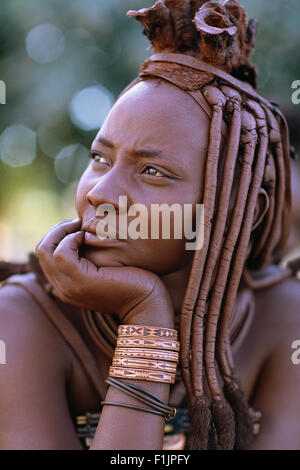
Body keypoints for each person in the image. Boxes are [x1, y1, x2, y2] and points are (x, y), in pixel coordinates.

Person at [0, 0, 300, 450]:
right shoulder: (23, 320)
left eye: (152, 172)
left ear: (244, 212)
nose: (100, 193)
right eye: (100, 159)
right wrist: (147, 319)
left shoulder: (283, 319)